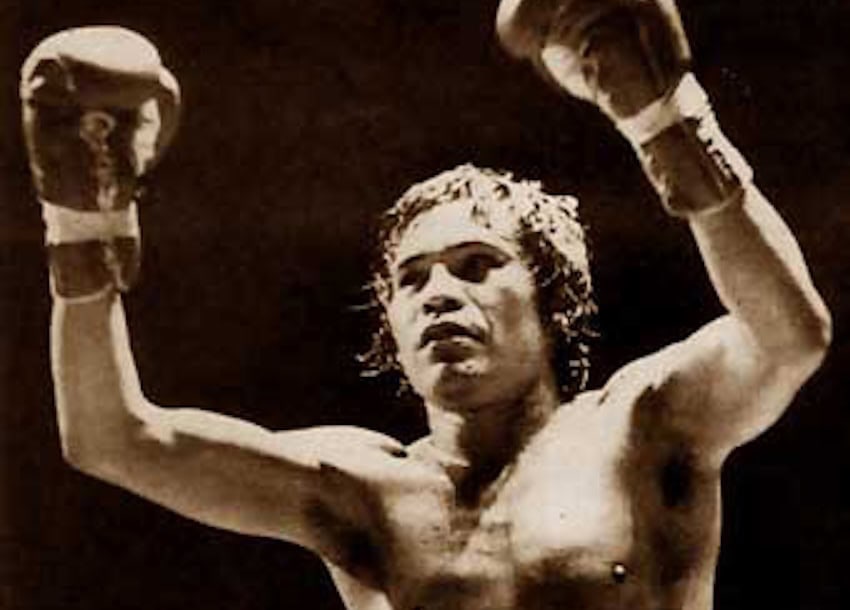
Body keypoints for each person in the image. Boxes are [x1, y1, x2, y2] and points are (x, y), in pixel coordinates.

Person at [19, 1, 831, 609]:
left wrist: (665, 123)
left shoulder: (642, 428)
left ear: (549, 303)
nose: (439, 292)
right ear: (393, 333)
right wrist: (83, 222)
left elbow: (787, 336)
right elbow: (114, 438)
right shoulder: (368, 490)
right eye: (413, 280)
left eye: (477, 266)